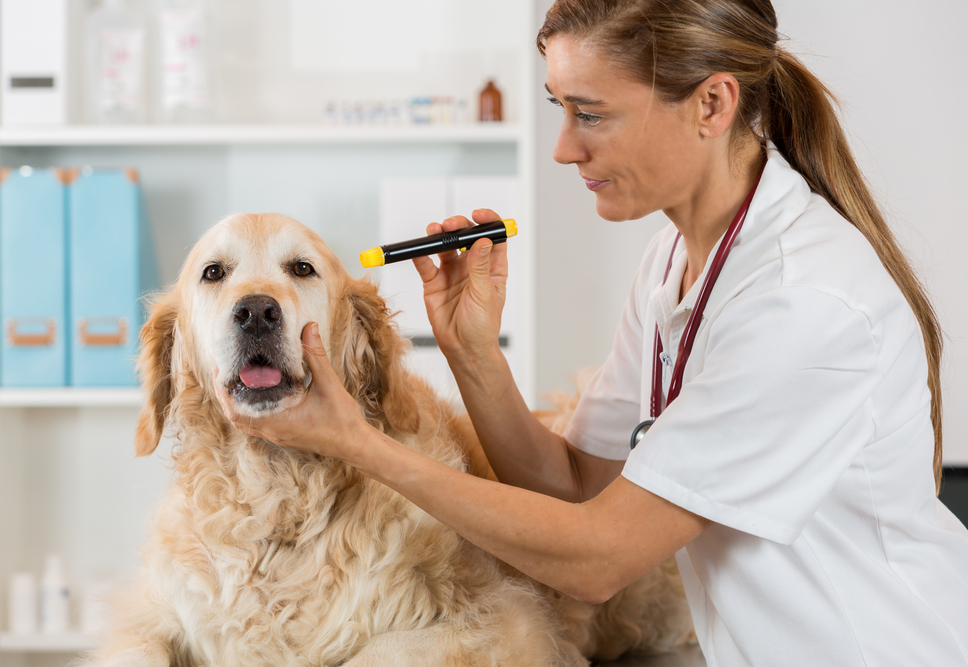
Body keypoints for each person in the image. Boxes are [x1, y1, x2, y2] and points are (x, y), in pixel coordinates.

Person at [215, 0, 968, 663]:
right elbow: (574, 486)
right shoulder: (675, 258)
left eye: (592, 113)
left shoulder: (805, 302)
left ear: (712, 104)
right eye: (558, 108)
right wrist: (472, 352)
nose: (564, 148)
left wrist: (359, 444)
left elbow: (598, 558)